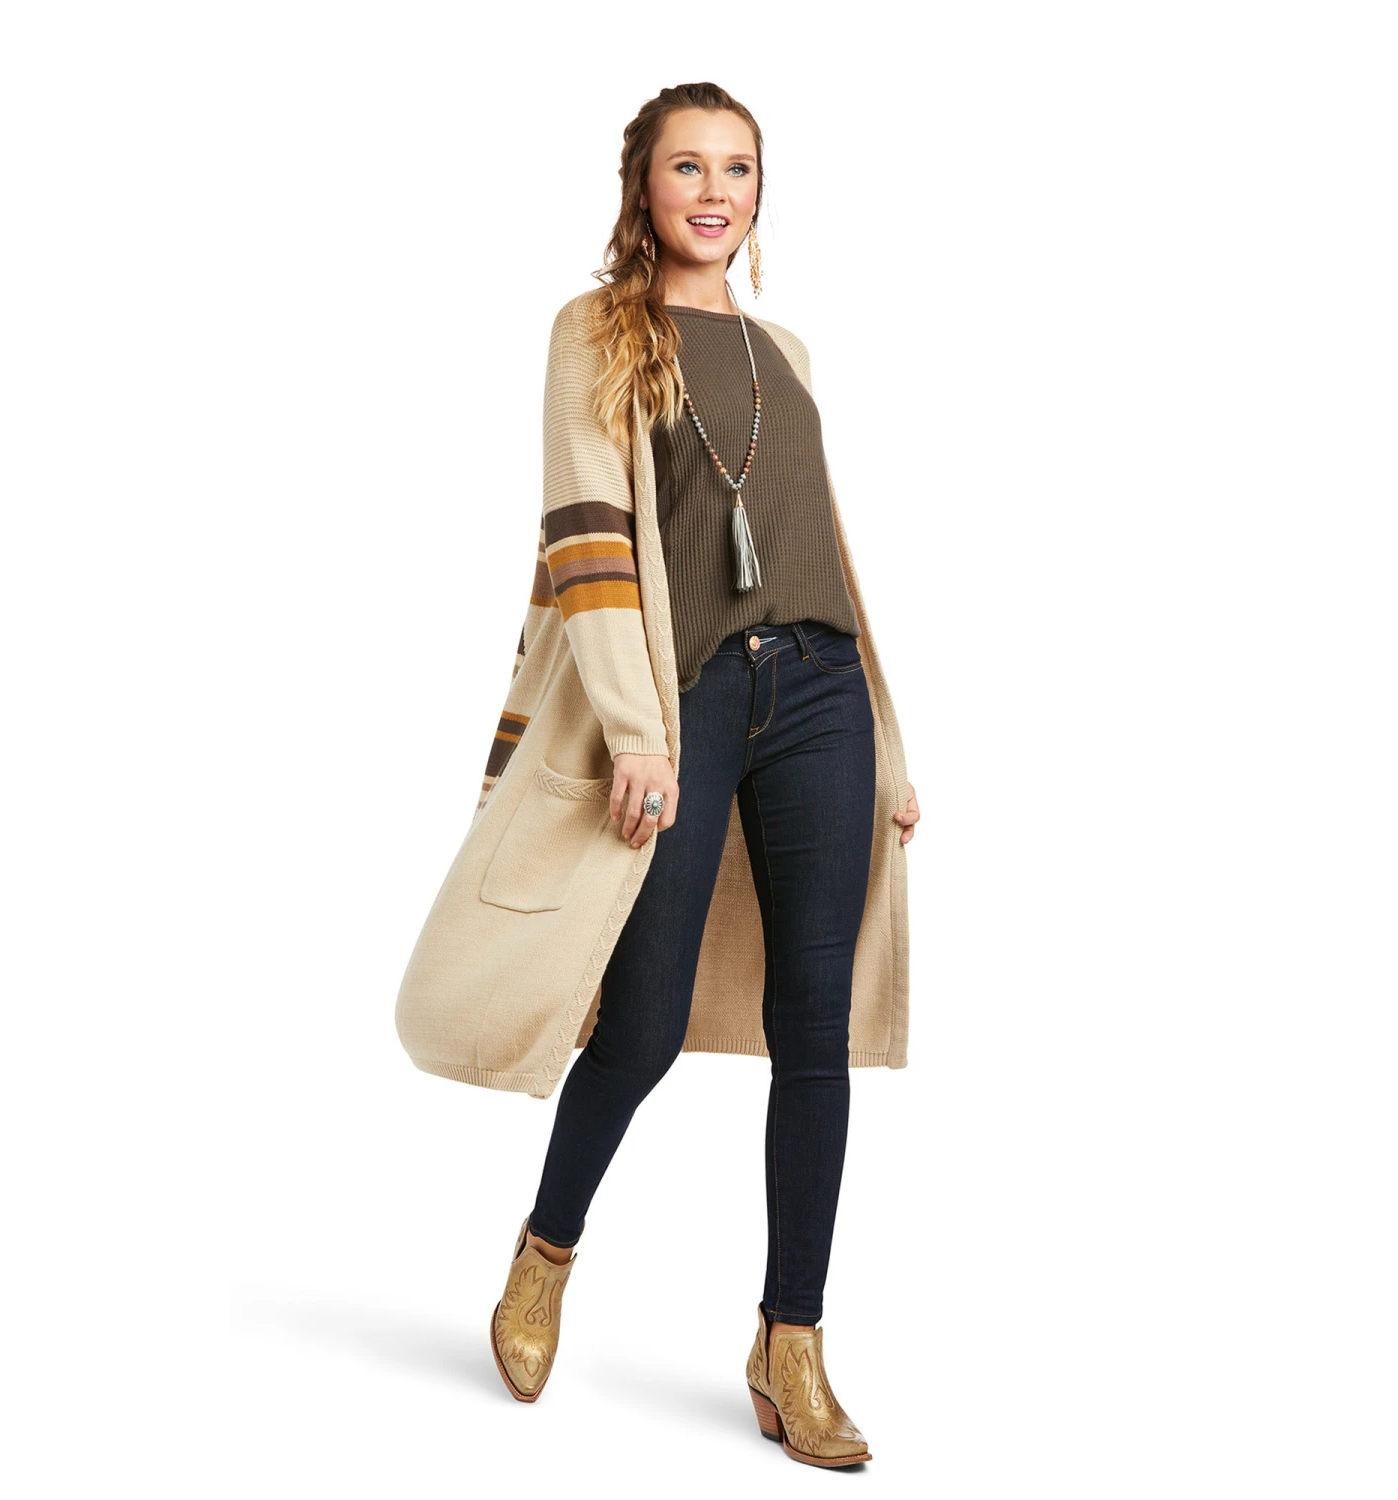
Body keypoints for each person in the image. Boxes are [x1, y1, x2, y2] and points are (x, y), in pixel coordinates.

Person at [414, 82, 919, 1467]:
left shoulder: (786, 351)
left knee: (818, 1028)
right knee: (638, 1024)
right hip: (682, 702)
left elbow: (822, 552)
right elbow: (586, 539)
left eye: (738, 169)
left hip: (822, 693)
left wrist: (888, 744)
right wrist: (641, 728)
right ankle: (546, 1252)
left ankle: (790, 1343)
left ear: (760, 193)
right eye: (687, 167)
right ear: (642, 185)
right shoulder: (595, 332)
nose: (715, 191)